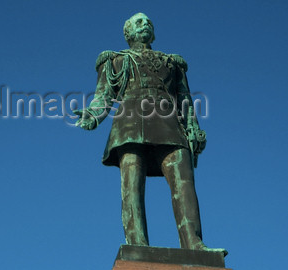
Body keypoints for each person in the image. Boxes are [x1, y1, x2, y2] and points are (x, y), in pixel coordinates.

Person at [75, 13, 220, 252]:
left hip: (169, 124)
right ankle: (137, 244)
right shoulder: (115, 60)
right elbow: (104, 95)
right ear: (128, 33)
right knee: (132, 186)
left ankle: (194, 243)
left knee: (184, 183)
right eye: (139, 22)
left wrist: (193, 128)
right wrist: (91, 116)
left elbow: (184, 99)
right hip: (130, 125)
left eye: (149, 22)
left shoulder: (172, 63)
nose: (146, 25)